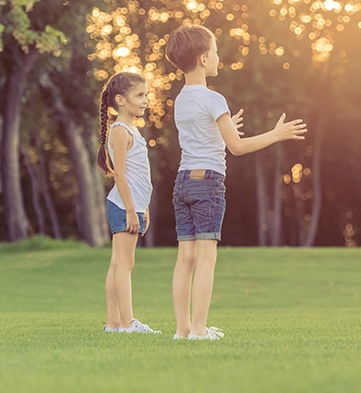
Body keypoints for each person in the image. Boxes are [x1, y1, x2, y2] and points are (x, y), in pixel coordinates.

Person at [164, 24, 307, 341]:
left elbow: (203, 136)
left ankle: (182, 330)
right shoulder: (214, 99)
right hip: (208, 183)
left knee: (185, 259)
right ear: (203, 59)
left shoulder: (182, 99)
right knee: (206, 259)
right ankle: (199, 330)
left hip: (183, 182)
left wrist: (224, 126)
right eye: (215, 52)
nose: (218, 58)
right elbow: (237, 147)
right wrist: (277, 134)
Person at [97, 71, 161, 334]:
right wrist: (132, 210)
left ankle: (113, 323)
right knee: (125, 264)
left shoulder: (129, 129)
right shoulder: (120, 131)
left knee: (118, 263)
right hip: (124, 205)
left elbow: (138, 176)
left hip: (132, 204)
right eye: (140, 95)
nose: (145, 100)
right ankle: (127, 322)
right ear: (121, 100)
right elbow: (120, 175)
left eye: (145, 94)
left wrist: (143, 207)